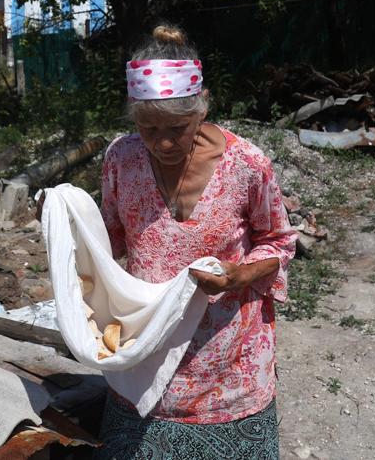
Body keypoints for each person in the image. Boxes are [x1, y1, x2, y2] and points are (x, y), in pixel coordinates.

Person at [95, 24, 297, 460]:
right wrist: (62, 222)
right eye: (148, 128)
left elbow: (279, 242)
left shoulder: (246, 164)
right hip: (146, 356)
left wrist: (237, 274)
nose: (162, 142)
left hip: (228, 368)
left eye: (177, 127)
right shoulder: (122, 158)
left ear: (202, 109)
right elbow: (105, 242)